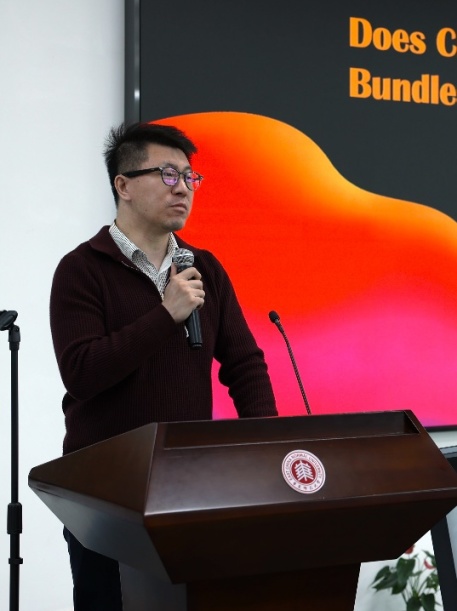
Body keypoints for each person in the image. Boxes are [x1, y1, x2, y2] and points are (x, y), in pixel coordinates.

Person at [49, 121, 278, 610]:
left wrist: (268, 448)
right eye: (168, 174)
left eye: (190, 177)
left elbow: (245, 364)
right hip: (104, 494)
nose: (183, 189)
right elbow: (82, 372)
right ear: (124, 185)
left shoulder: (203, 268)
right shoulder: (81, 270)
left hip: (188, 487)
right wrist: (165, 315)